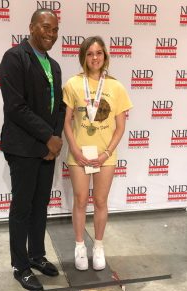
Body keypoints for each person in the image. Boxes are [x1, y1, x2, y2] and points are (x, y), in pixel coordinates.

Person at [0, 9, 66, 291]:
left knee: (41, 206)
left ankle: (37, 255)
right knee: (22, 208)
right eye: (45, 27)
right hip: (24, 148)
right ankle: (20, 265)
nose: (50, 34)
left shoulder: (54, 65)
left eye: (54, 30)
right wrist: (46, 138)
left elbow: (59, 106)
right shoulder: (14, 58)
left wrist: (56, 139)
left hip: (46, 148)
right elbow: (16, 107)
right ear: (31, 27)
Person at [63, 36, 133, 271]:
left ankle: (99, 247)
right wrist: (74, 149)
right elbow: (65, 122)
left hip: (105, 156)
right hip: (79, 155)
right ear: (83, 57)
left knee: (101, 201)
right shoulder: (73, 84)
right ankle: (80, 246)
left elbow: (121, 126)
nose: (95, 58)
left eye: (99, 53)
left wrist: (106, 153)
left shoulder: (116, 86)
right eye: (90, 53)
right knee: (81, 201)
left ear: (105, 56)